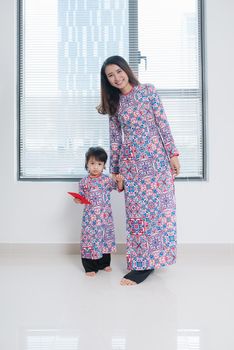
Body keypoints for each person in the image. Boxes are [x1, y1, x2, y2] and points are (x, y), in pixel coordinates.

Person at [97, 55, 180, 286]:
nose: (116, 78)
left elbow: (162, 123)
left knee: (160, 214)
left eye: (118, 71)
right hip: (131, 168)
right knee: (137, 218)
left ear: (126, 69)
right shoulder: (115, 104)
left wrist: (173, 154)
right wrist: (114, 171)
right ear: (106, 81)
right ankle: (141, 264)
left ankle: (153, 261)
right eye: (110, 75)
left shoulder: (148, 92)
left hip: (157, 164)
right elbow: (115, 140)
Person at [73, 146, 124, 277]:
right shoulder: (84, 182)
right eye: (92, 163)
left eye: (99, 164)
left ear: (104, 166)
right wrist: (78, 200)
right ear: (87, 164)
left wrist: (119, 181)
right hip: (90, 217)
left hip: (104, 217)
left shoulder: (106, 180)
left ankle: (104, 263)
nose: (95, 167)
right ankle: (90, 266)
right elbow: (81, 198)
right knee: (89, 240)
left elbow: (119, 189)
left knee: (104, 238)